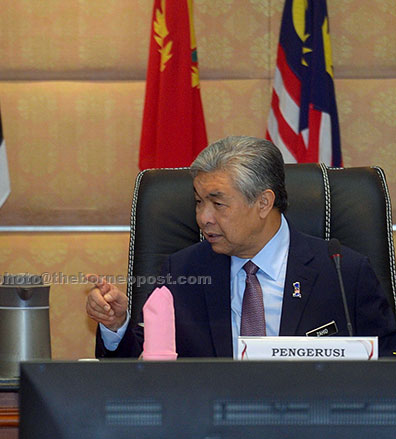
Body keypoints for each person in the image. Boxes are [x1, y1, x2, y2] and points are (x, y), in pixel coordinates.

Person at [86, 136, 396, 358]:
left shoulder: (343, 273)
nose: (203, 218)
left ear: (263, 202)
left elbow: (385, 367)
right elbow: (141, 367)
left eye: (218, 204)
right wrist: (117, 325)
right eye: (198, 203)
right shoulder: (181, 273)